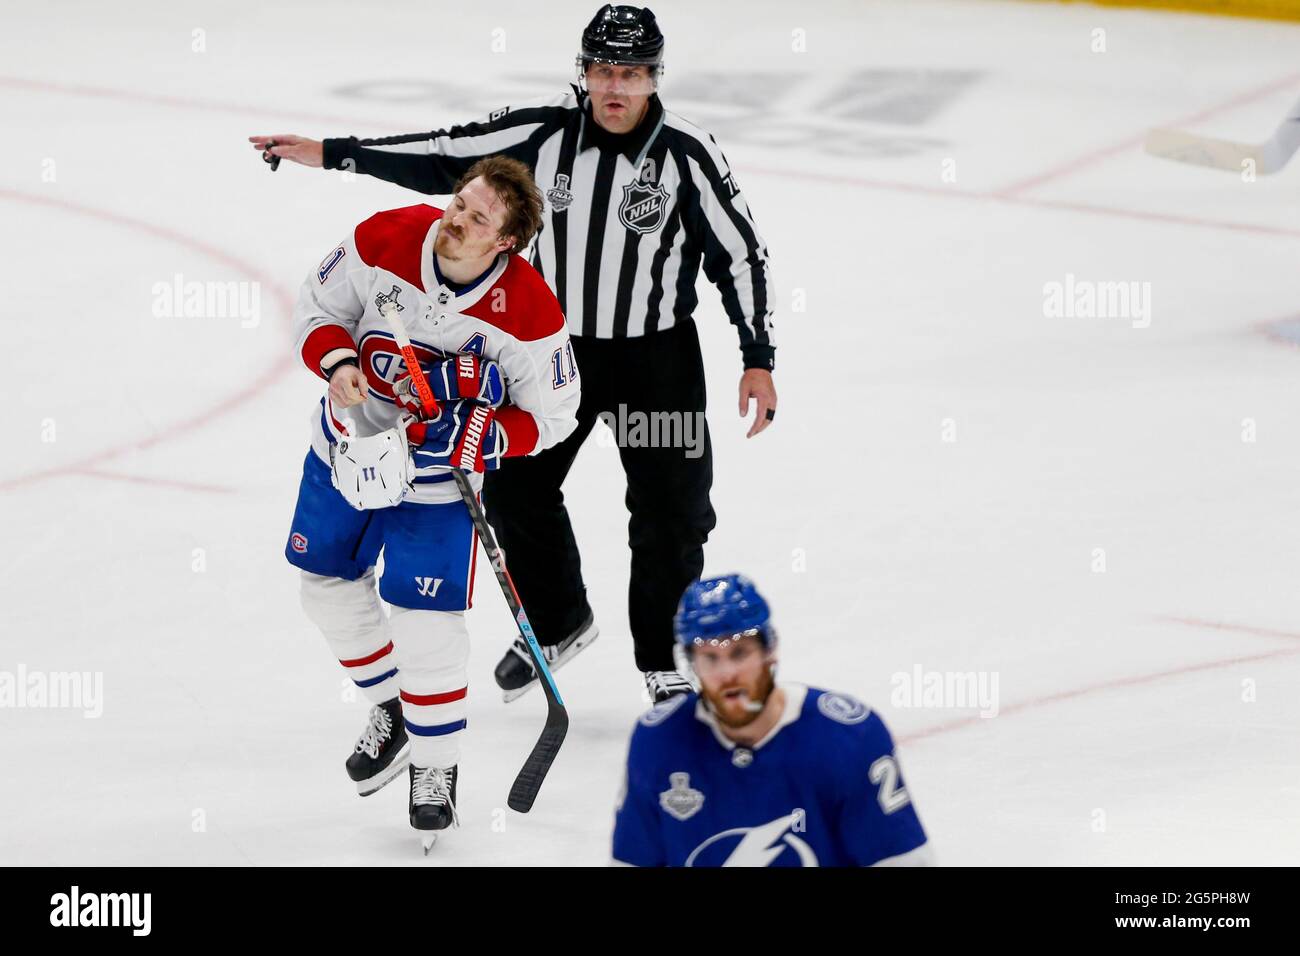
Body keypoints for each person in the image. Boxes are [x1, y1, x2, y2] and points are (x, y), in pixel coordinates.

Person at [249, 4, 778, 706]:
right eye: (602, 69)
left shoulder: (687, 150)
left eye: (631, 72)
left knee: (672, 512)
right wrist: (333, 152)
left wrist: (757, 354)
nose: (614, 86)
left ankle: (664, 663)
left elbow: (738, 252)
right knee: (515, 487)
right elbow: (443, 154)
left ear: (654, 77)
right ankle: (559, 624)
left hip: (657, 362)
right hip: (548, 352)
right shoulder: (543, 130)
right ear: (583, 71)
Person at [283, 155, 579, 845]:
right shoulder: (385, 237)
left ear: (505, 242)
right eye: (459, 202)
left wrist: (484, 434)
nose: (457, 219)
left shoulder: (530, 312)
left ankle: (436, 768)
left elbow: (557, 414)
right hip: (346, 453)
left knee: (426, 625)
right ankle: (390, 711)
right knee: (323, 587)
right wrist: (340, 361)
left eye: (478, 218)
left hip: (438, 488)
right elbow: (317, 307)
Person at [611, 575, 933, 867]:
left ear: (770, 650)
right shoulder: (658, 743)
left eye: (740, 653)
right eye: (710, 658)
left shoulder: (848, 740)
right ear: (691, 663)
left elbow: (902, 860)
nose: (727, 674)